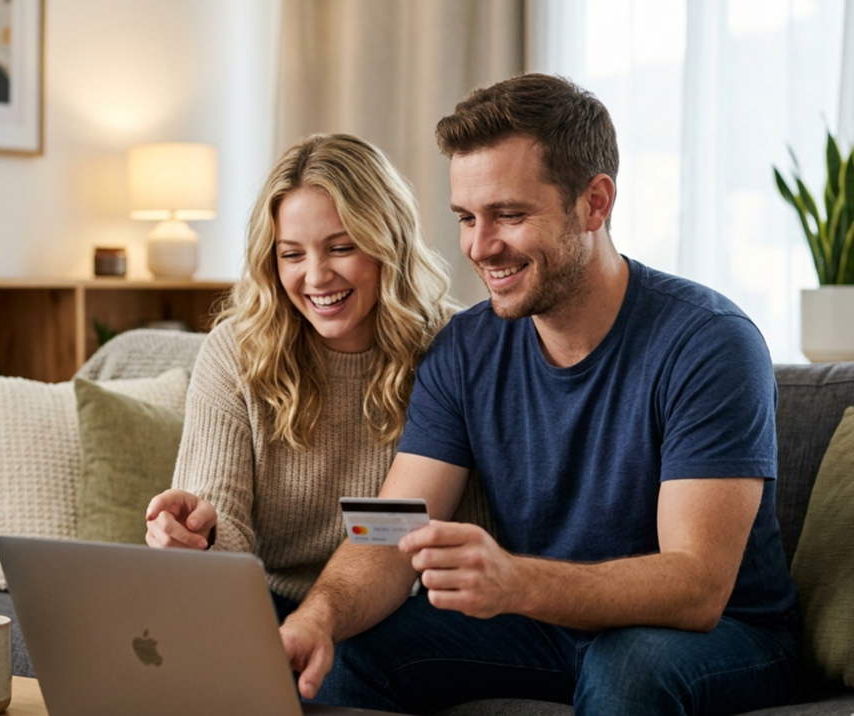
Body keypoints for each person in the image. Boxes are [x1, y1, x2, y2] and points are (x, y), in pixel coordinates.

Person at [279, 74, 800, 715]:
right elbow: (390, 528)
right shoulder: (464, 350)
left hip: (719, 637)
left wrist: (515, 580)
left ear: (595, 203)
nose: (479, 246)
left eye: (510, 214)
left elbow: (696, 586)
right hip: (547, 629)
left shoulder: (709, 343)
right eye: (467, 218)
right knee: (349, 653)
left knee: (630, 665)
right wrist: (320, 617)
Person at [145, 133, 492, 620]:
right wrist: (196, 536)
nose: (316, 276)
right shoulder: (236, 352)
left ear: (387, 241)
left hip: (402, 610)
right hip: (265, 597)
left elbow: (462, 536)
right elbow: (221, 520)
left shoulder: (452, 348)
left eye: (341, 247)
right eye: (291, 254)